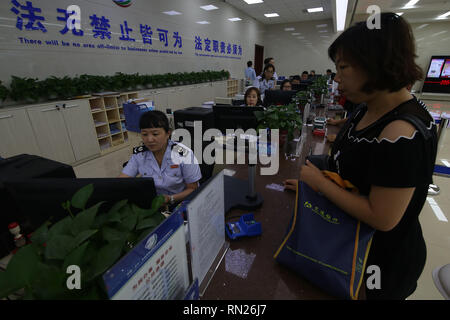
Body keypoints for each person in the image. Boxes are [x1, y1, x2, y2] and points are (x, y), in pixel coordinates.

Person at [292, 12, 438, 300]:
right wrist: (315, 190)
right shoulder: (367, 107)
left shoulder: (401, 131)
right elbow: (352, 173)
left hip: (377, 263)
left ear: (375, 64)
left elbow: (381, 217)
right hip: (348, 240)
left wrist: (320, 184)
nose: (336, 78)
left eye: (344, 67)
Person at [120, 110, 202, 207]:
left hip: (181, 202)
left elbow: (193, 188)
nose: (149, 139)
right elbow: (121, 182)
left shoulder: (183, 154)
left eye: (155, 134)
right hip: (153, 204)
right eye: (145, 134)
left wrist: (170, 199)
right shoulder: (139, 155)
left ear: (168, 133)